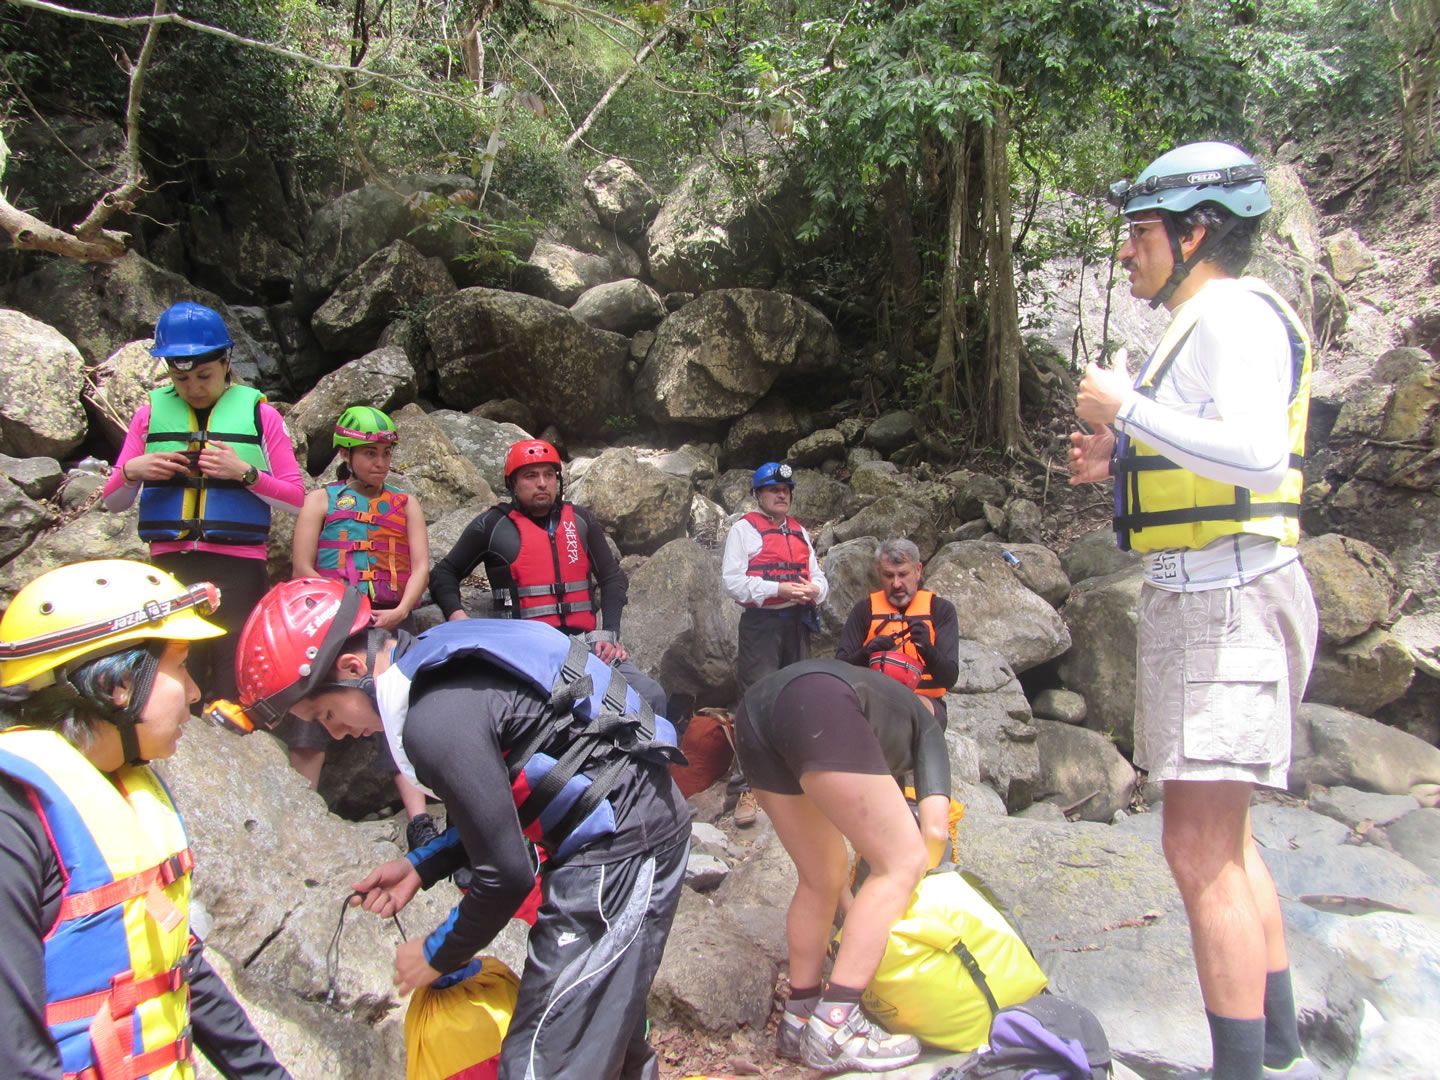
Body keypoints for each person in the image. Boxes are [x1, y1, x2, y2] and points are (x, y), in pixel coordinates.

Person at [1069, 142, 1319, 1080]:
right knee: (1228, 840)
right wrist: (1120, 462)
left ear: (1196, 231)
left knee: (1196, 849)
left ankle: (1241, 1071)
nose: (1128, 252)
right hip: (1214, 597)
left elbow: (1256, 455)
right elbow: (1215, 456)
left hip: (1228, 603)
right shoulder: (1202, 320)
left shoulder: (1235, 314)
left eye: (1140, 234)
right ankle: (1282, 1044)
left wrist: (1129, 409)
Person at [227, 579, 690, 1080]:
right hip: (631, 823)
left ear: (352, 667)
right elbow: (503, 805)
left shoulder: (433, 721)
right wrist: (421, 864)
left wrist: (436, 954)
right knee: (597, 1029)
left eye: (325, 714)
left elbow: (506, 875)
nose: (336, 733)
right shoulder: (440, 660)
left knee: (543, 1060)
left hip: (621, 847)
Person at [0, 559, 288, 1079]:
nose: (196, 694)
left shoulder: (124, 785)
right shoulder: (14, 816)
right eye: (181, 668)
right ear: (118, 684)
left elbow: (177, 966)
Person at [734, 659, 950, 1073]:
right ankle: (836, 1023)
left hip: (755, 710)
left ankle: (800, 1016)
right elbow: (936, 831)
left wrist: (859, 915)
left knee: (823, 874)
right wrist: (915, 896)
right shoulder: (929, 728)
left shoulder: (875, 707)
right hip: (819, 703)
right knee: (904, 860)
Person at [102, 302, 304, 705]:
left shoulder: (261, 416)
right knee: (174, 681)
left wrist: (243, 472)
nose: (193, 387)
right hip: (170, 567)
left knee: (233, 682)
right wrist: (131, 471)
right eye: (181, 378)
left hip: (239, 568)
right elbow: (114, 503)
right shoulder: (147, 418)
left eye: (204, 376)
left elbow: (297, 500)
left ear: (226, 363)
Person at [286, 406, 437, 850]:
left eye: (386, 454)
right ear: (346, 454)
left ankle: (419, 818)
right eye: (369, 453)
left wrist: (401, 609)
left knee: (398, 714)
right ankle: (300, 812)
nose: (380, 463)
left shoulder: (406, 504)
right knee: (313, 709)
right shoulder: (320, 500)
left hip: (391, 618)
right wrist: (337, 617)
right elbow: (302, 567)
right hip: (332, 626)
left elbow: (421, 565)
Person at [429, 438, 667, 717]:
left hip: (584, 645)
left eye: (549, 475)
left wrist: (610, 633)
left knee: (652, 695)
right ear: (513, 484)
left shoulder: (580, 521)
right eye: (531, 476)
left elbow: (612, 578)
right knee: (558, 713)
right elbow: (444, 573)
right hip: (527, 652)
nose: (542, 483)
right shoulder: (490, 527)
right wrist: (458, 617)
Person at [720, 461, 829, 826]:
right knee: (755, 702)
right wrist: (778, 589)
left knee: (799, 697)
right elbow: (733, 583)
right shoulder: (743, 531)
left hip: (796, 623)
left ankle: (798, 778)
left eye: (785, 490)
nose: (781, 494)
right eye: (773, 490)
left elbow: (819, 578)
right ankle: (746, 788)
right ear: (758, 495)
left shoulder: (799, 532)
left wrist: (815, 590)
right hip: (761, 625)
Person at [834, 537, 959, 724]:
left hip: (926, 702)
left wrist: (927, 649)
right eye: (888, 575)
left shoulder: (941, 610)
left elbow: (948, 679)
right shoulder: (863, 611)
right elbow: (839, 671)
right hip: (873, 700)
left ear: (918, 571)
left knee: (908, 713)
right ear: (879, 573)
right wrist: (867, 653)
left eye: (903, 574)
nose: (896, 584)